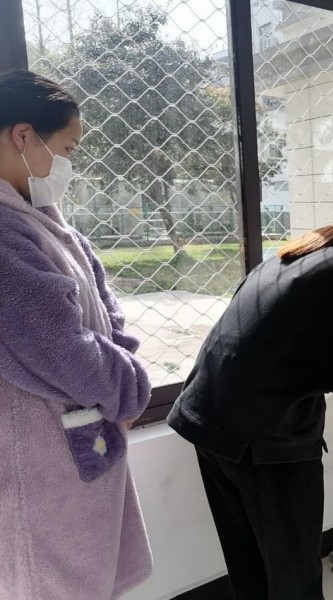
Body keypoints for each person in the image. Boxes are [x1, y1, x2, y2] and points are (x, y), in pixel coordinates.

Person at [167, 203, 333, 600]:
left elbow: (287, 336)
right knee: (294, 573)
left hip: (206, 415)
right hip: (265, 436)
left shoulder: (304, 251)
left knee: (248, 560)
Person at [0, 70, 153, 599]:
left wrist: (120, 371)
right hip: (36, 459)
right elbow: (58, 346)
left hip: (77, 435)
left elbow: (104, 306)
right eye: (66, 149)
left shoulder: (39, 218)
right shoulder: (4, 234)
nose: (68, 164)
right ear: (24, 136)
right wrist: (129, 391)